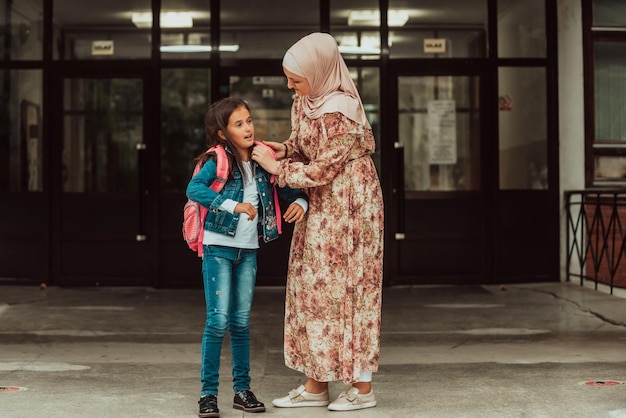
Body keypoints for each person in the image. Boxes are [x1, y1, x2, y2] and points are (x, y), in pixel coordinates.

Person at [251, 32, 384, 412]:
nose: (290, 86)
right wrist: (286, 148)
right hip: (323, 202)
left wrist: (278, 168)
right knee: (314, 289)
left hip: (352, 205)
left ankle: (362, 388)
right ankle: (316, 384)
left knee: (353, 289)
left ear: (320, 70)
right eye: (289, 77)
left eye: (296, 78)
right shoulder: (306, 101)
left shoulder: (341, 109)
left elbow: (326, 166)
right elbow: (305, 145)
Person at [187, 97, 308, 418]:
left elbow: (285, 187)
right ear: (222, 133)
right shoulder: (217, 160)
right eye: (239, 124)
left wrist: (303, 202)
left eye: (249, 121)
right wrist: (233, 206)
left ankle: (242, 391)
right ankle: (207, 395)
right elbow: (194, 189)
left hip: (248, 250)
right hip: (218, 248)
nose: (248, 128)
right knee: (218, 322)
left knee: (240, 323)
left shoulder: (261, 158)